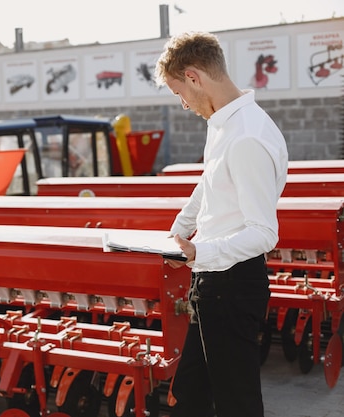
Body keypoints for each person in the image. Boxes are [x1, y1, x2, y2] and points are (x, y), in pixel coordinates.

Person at [154, 32, 288, 417]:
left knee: (236, 402)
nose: (182, 104)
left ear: (194, 76)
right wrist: (180, 229)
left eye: (180, 92)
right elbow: (209, 181)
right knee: (189, 394)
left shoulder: (247, 136)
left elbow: (264, 233)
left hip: (231, 285)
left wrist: (200, 250)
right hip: (212, 282)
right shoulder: (224, 124)